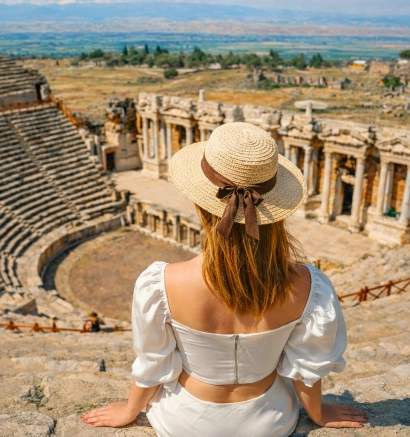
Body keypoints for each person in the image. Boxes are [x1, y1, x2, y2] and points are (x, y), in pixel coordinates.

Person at [82, 122, 366, 435]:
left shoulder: (163, 283)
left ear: (202, 207)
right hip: (269, 420)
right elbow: (306, 369)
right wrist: (319, 413)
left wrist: (130, 410)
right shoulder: (310, 286)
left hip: (185, 421)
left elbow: (154, 364)